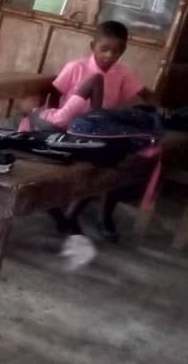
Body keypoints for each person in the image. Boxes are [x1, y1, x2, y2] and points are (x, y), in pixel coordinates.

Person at [50, 20, 158, 242]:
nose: (109, 55)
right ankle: (72, 216)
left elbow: (147, 93)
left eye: (116, 51)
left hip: (101, 130)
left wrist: (160, 107)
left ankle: (100, 214)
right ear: (92, 46)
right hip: (72, 128)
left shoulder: (122, 72)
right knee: (106, 160)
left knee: (122, 161)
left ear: (124, 51)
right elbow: (52, 95)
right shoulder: (77, 67)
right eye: (104, 49)